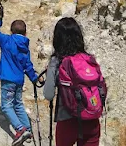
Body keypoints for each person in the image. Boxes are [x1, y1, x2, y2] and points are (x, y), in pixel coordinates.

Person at [43, 18, 105, 146]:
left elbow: (48, 94)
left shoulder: (56, 61)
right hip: (91, 120)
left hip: (67, 121)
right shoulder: (89, 60)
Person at [0, 13, 42, 146]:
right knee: (18, 104)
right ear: (25, 33)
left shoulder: (6, 40)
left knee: (6, 105)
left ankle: (20, 129)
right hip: (19, 80)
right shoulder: (25, 46)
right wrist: (35, 78)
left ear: (11, 31)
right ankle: (29, 131)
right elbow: (28, 65)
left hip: (7, 79)